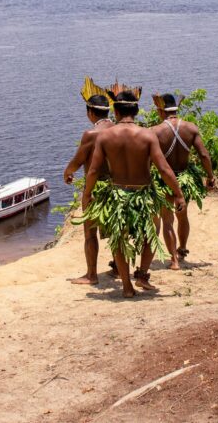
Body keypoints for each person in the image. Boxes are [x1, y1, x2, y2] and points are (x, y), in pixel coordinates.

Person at [78, 85, 186, 298]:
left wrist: (88, 194)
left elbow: (92, 171)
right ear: (136, 112)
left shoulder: (105, 137)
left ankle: (127, 287)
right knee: (150, 234)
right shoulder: (147, 136)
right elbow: (163, 168)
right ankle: (143, 274)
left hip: (117, 194)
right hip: (144, 194)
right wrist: (178, 193)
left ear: (116, 112)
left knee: (119, 239)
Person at [150, 93, 215, 270]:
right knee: (183, 215)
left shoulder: (156, 131)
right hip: (185, 178)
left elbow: (149, 160)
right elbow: (203, 154)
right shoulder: (191, 128)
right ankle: (183, 249)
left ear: (160, 110)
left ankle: (174, 260)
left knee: (167, 220)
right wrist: (210, 176)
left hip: (164, 179)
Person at [62, 78, 113, 285]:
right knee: (117, 230)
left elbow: (78, 160)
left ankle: (91, 274)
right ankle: (119, 268)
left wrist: (67, 172)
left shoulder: (91, 134)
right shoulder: (119, 129)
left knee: (90, 232)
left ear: (90, 112)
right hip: (117, 185)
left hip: (95, 189)